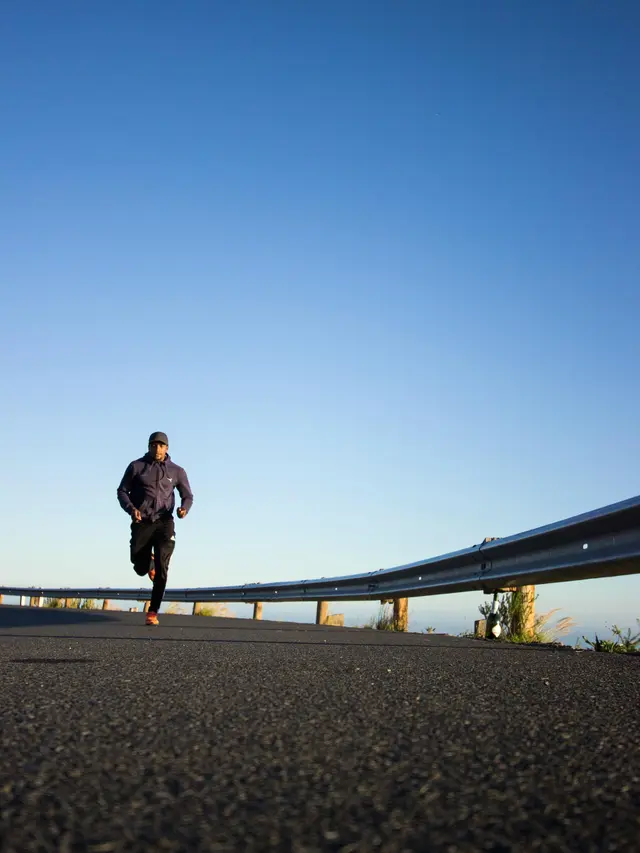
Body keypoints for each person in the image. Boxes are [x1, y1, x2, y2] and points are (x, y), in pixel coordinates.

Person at [117, 431, 193, 625]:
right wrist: (132, 509)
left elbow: (188, 495)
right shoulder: (136, 467)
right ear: (149, 446)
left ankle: (153, 611)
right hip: (142, 521)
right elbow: (122, 491)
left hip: (165, 522)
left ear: (167, 448)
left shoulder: (177, 471)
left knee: (163, 566)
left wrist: (184, 508)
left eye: (161, 446)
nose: (157, 449)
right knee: (140, 567)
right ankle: (147, 563)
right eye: (154, 445)